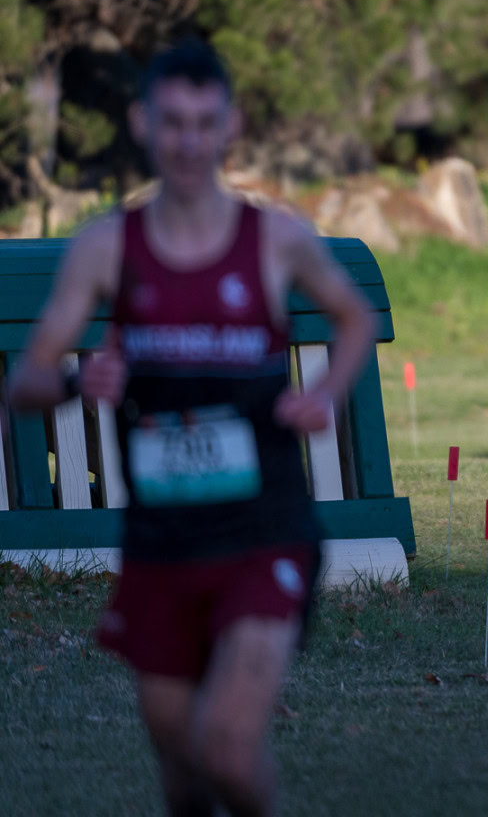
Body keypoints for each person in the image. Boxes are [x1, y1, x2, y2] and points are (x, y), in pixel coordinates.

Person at [5, 41, 376, 817]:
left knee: (228, 752)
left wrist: (327, 395)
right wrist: (79, 379)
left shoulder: (274, 239)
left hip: (264, 533)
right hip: (162, 546)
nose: (188, 142)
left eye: (204, 123)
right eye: (172, 122)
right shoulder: (108, 247)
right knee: (183, 781)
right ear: (144, 124)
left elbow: (352, 318)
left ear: (229, 126)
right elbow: (26, 381)